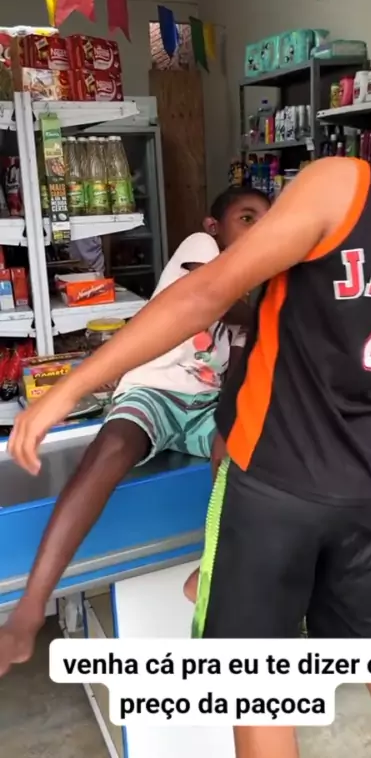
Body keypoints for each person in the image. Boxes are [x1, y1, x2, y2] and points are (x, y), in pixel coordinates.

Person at [4, 97, 371, 758]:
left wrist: (73, 386)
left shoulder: (346, 182)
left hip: (274, 474)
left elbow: (206, 293)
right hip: (364, 480)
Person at [0, 185, 270, 675]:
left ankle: (212, 568)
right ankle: (29, 610)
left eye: (266, 222)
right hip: (155, 388)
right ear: (214, 226)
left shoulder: (255, 287)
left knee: (238, 447)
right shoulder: (202, 249)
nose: (258, 230)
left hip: (205, 403)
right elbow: (213, 301)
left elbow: (236, 373)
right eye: (247, 218)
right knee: (113, 445)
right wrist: (276, 315)